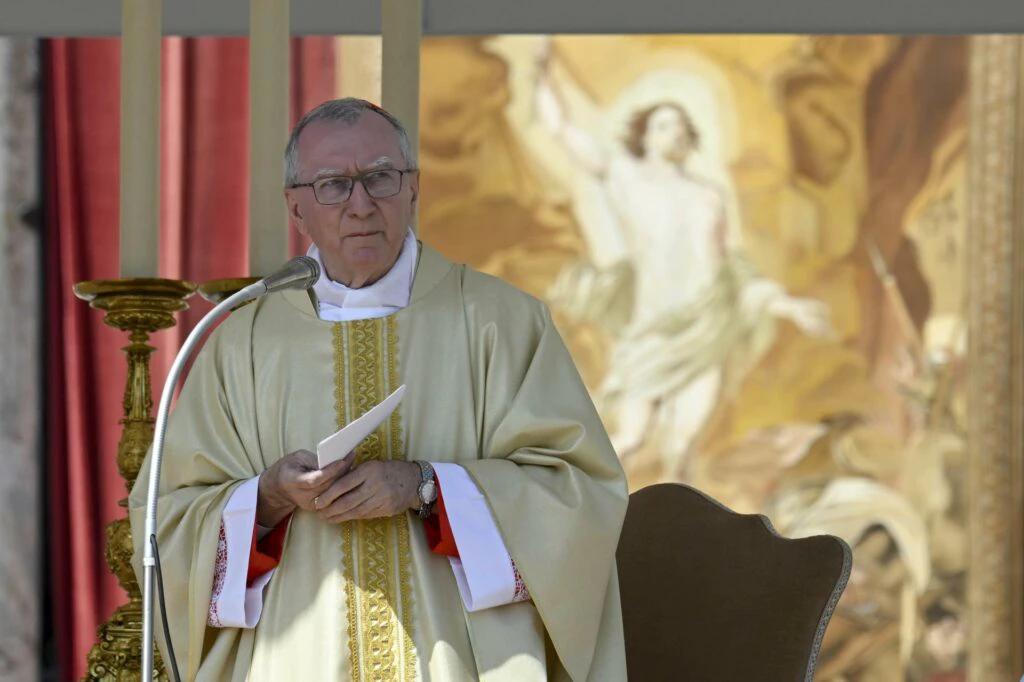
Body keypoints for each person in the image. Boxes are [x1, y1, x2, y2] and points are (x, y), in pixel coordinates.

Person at [128, 98, 629, 681]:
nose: (361, 205)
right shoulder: (241, 343)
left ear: (413, 187)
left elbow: (580, 493)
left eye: (380, 178)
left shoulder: (501, 321)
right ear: (296, 206)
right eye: (334, 185)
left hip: (455, 658)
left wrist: (425, 487)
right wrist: (267, 497)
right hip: (299, 656)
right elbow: (164, 522)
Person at [532, 37, 833, 477]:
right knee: (630, 438)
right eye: (662, 125)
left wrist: (786, 304)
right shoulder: (624, 177)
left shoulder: (708, 197)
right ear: (644, 137)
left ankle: (672, 538)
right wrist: (541, 73)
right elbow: (562, 130)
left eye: (679, 125)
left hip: (705, 328)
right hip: (652, 331)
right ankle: (571, 512)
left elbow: (731, 266)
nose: (673, 132)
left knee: (682, 445)